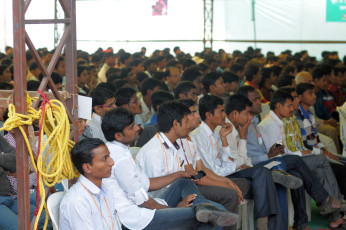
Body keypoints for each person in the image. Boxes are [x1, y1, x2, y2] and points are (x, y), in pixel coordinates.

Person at [101, 108, 238, 230]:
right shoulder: (120, 159)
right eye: (132, 127)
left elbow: (148, 184)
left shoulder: (121, 151)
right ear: (118, 135)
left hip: (151, 205)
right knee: (209, 216)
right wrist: (173, 209)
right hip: (138, 217)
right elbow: (143, 202)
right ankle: (203, 208)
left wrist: (179, 174)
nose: (137, 128)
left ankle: (202, 206)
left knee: (184, 182)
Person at [190, 95, 286, 230]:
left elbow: (228, 166)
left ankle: (269, 226)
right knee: (262, 181)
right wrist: (228, 182)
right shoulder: (198, 136)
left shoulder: (218, 133)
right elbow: (214, 170)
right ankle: (268, 226)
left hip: (225, 174)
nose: (224, 115)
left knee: (263, 181)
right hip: (213, 179)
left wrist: (223, 140)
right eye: (221, 111)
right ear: (209, 115)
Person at [257, 88, 346, 229]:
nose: (292, 108)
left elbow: (283, 149)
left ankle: (302, 223)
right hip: (275, 164)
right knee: (320, 161)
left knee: (298, 176)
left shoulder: (278, 121)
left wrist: (302, 152)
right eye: (289, 106)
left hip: (285, 160)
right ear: (279, 106)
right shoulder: (270, 124)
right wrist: (300, 153)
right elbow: (279, 153)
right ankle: (326, 200)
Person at [59, 138, 120, 230]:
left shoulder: (105, 189)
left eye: (109, 157)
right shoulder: (77, 200)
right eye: (105, 158)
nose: (112, 162)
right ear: (87, 168)